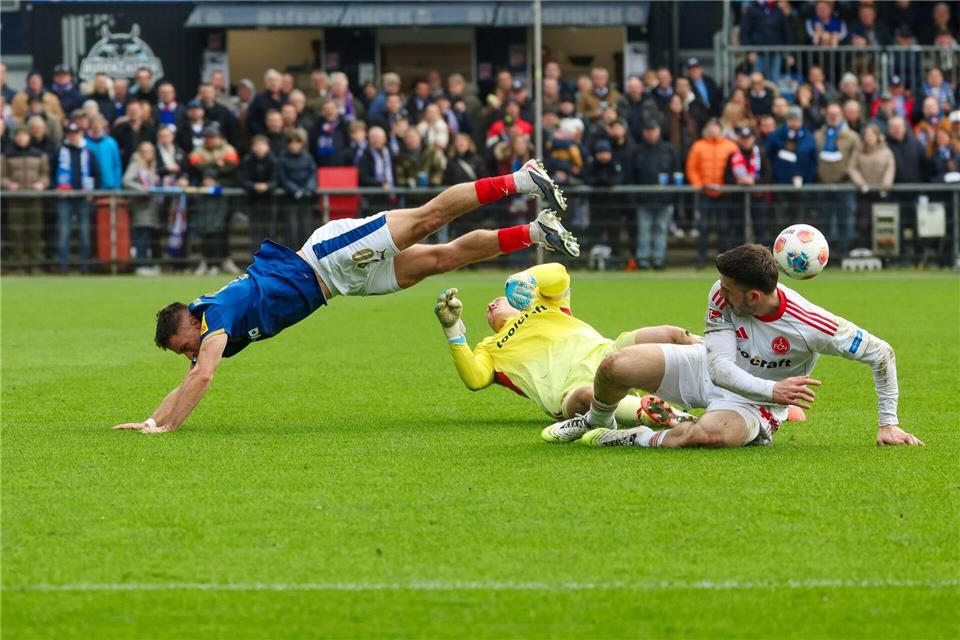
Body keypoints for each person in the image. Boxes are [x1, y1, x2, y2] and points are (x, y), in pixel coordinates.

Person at [113, 160, 578, 433]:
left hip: (327, 258)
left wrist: (169, 428)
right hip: (341, 285)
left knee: (426, 219)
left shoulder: (215, 316)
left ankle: (520, 179)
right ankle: (535, 230)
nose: (189, 355)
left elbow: (202, 378)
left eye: (183, 347)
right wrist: (152, 422)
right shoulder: (210, 325)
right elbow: (192, 376)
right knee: (441, 259)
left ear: (190, 324)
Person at [543, 243, 923, 449]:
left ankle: (628, 437)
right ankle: (594, 423)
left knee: (706, 436)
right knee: (615, 366)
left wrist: (888, 423)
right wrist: (777, 388)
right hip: (709, 368)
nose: (718, 293)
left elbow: (881, 353)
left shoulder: (813, 325)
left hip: (753, 404)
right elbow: (718, 367)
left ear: (754, 297)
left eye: (728, 289)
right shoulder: (722, 292)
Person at [433, 265, 702, 422]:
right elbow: (474, 379)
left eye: (496, 300)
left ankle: (722, 353)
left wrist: (527, 277)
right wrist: (452, 328)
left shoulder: (547, 304)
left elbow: (560, 274)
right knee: (588, 397)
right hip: (568, 389)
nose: (491, 305)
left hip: (608, 353)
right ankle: (668, 417)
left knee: (671, 334)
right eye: (487, 309)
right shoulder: (489, 347)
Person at [187, 124, 240, 276]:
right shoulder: (198, 151)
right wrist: (217, 164)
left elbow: (231, 167)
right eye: (208, 137)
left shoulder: (229, 149)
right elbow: (197, 166)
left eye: (213, 137)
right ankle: (209, 262)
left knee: (223, 230)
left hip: (225, 198)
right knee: (206, 231)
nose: (211, 140)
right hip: (204, 198)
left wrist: (209, 166)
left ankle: (222, 261)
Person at [685, 119, 738, 265]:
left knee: (723, 227)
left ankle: (724, 260)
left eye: (715, 127)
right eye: (710, 127)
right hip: (704, 193)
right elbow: (691, 168)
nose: (712, 130)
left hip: (724, 193)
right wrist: (699, 185)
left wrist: (728, 185)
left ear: (720, 129)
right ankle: (701, 258)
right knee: (703, 226)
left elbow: (736, 166)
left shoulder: (730, 146)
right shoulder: (698, 146)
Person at [815, 103, 862, 259]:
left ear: (841, 115)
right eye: (830, 114)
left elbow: (856, 160)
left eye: (836, 114)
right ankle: (826, 257)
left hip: (845, 185)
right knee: (824, 222)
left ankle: (842, 255)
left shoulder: (852, 136)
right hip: (823, 186)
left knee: (845, 221)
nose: (833, 116)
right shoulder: (818, 136)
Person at [632, 120, 679, 270]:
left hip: (664, 199)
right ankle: (643, 260)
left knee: (660, 229)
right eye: (648, 130)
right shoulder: (637, 150)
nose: (651, 133)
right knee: (644, 230)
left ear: (658, 131)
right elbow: (631, 175)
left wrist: (673, 195)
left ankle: (658, 259)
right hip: (643, 199)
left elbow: (676, 173)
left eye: (653, 129)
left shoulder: (669, 149)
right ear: (644, 132)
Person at [2, 125, 50, 270]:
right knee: (16, 231)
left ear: (29, 137)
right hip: (15, 198)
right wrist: (8, 184)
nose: (21, 138)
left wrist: (42, 184)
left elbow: (45, 174)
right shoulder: (6, 155)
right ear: (14, 138)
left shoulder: (39, 155)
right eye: (18, 136)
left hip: (34, 197)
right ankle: (18, 265)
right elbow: (2, 176)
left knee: (35, 231)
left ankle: (35, 265)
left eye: (24, 135)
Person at [55, 122, 101, 272]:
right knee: (64, 232)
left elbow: (97, 174)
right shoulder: (60, 151)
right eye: (70, 133)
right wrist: (56, 188)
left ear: (81, 134)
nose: (73, 136)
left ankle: (85, 266)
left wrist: (92, 193)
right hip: (65, 198)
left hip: (84, 198)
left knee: (84, 233)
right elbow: (51, 173)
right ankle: (63, 266)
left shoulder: (88, 152)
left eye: (75, 133)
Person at [724, 125, 772, 247]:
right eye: (743, 138)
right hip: (738, 198)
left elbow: (768, 174)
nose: (746, 141)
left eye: (748, 138)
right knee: (739, 230)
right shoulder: (733, 155)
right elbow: (727, 176)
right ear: (739, 139)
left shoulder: (761, 153)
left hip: (758, 197)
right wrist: (739, 182)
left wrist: (754, 182)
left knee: (760, 229)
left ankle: (762, 259)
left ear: (753, 138)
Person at [122, 140, 163, 275]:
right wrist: (143, 189)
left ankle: (145, 263)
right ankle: (141, 264)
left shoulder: (151, 166)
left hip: (150, 207)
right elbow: (126, 180)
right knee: (140, 236)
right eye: (145, 151)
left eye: (150, 151)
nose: (148, 154)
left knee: (146, 235)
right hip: (140, 206)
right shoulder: (136, 164)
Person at [277, 128, 318, 246]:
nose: (294, 145)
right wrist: (295, 190)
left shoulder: (307, 157)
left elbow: (312, 173)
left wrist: (308, 188)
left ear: (301, 144)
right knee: (291, 227)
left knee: (306, 226)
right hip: (290, 198)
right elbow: (282, 177)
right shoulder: (282, 158)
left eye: (297, 142)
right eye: (291, 142)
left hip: (306, 198)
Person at [239, 134, 279, 245]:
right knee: (255, 231)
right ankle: (256, 257)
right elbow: (242, 179)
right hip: (253, 200)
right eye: (256, 145)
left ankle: (270, 259)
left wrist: (267, 186)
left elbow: (276, 179)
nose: (259, 148)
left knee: (270, 231)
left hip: (269, 200)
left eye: (262, 145)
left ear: (268, 147)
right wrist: (253, 186)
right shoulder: (247, 160)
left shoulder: (273, 160)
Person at [112, 100, 156, 166]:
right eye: (131, 110)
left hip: (145, 166)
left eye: (136, 110)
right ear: (126, 112)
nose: (133, 112)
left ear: (141, 111)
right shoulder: (119, 129)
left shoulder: (150, 129)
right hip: (125, 165)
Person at [85, 115, 123, 190]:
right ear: (90, 125)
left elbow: (117, 165)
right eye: (94, 123)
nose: (96, 126)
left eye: (99, 123)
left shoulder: (111, 143)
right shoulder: (85, 143)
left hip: (110, 184)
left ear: (103, 125)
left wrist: (117, 185)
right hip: (92, 185)